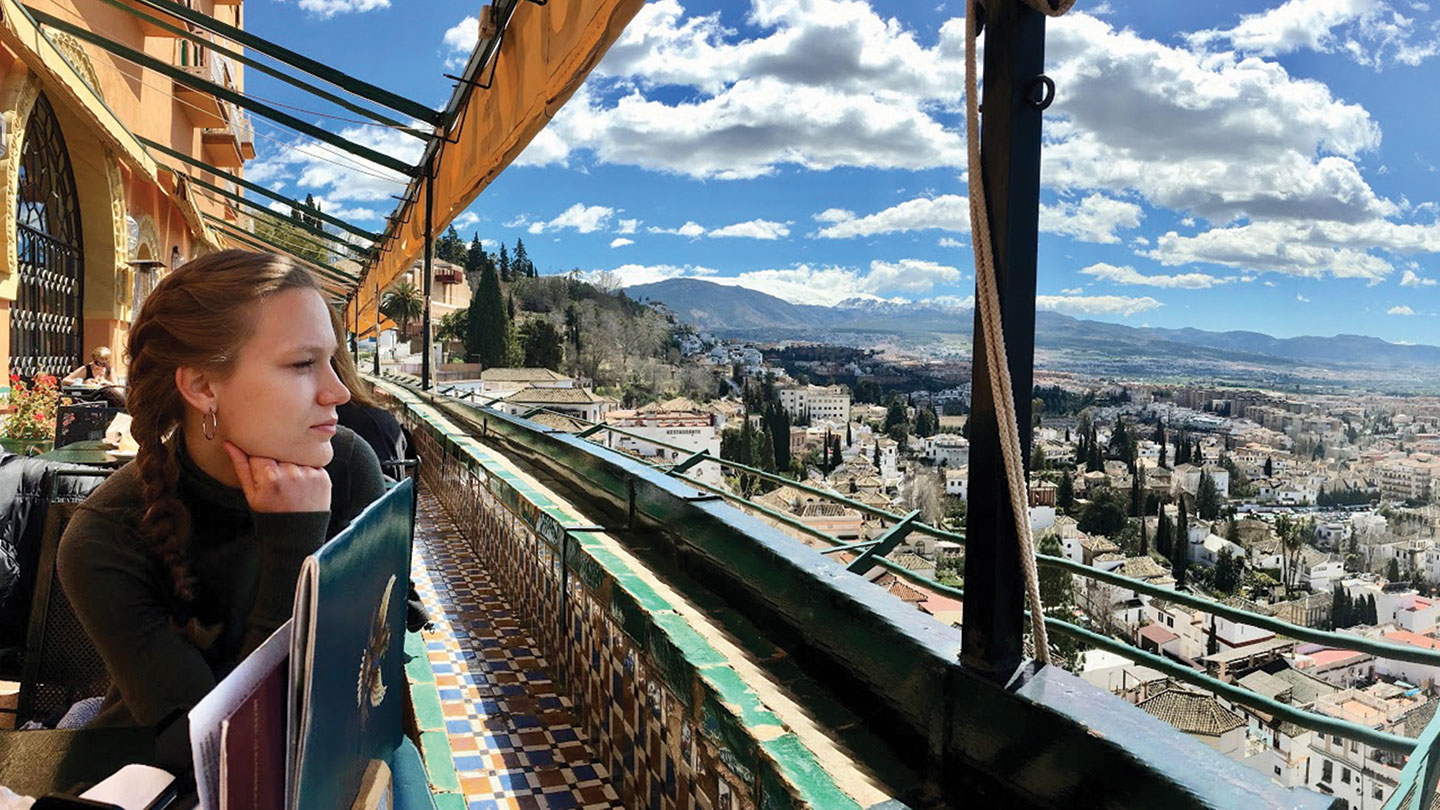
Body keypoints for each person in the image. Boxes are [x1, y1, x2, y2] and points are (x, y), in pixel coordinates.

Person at [57, 250, 386, 733]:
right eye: (302, 364)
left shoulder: (350, 466)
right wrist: (292, 542)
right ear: (202, 385)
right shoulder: (105, 536)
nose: (338, 391)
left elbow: (362, 680)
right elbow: (217, 749)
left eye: (332, 360)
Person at [62, 346, 126, 407]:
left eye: (103, 364)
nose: (100, 366)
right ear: (93, 360)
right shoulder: (86, 369)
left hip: (106, 400)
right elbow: (65, 381)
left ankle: (125, 409)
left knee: (110, 392)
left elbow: (118, 389)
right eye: (97, 363)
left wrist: (109, 384)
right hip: (90, 398)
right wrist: (84, 382)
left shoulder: (109, 370)